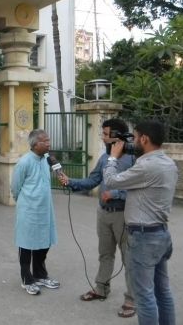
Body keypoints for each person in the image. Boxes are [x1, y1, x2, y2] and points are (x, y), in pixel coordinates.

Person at [58, 118, 135, 318]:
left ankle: (132, 299)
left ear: (117, 135)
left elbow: (139, 191)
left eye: (105, 133)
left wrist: (116, 194)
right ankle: (101, 288)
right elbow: (93, 180)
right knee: (105, 254)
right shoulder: (104, 158)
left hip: (124, 215)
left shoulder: (133, 159)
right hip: (103, 213)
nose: (102, 137)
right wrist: (71, 181)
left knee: (130, 258)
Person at [104, 120, 178, 325]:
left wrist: (112, 158)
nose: (133, 142)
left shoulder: (146, 166)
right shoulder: (168, 163)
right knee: (162, 291)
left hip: (144, 238)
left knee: (144, 297)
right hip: (161, 234)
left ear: (144, 139)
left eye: (135, 138)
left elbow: (111, 181)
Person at [11, 129, 59, 295]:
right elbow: (15, 187)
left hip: (45, 209)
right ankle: (27, 279)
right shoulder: (24, 162)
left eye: (48, 140)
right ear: (35, 144)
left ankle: (40, 274)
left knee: (43, 242)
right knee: (26, 243)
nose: (49, 144)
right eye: (45, 141)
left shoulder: (47, 159)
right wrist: (25, 202)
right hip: (29, 209)